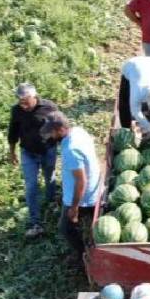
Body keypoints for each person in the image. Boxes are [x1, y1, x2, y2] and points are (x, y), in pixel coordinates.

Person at [39, 113, 101, 265]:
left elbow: (81, 181)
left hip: (85, 197)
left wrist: (74, 207)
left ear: (60, 129)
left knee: (65, 228)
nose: (49, 137)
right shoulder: (79, 131)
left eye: (51, 133)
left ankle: (82, 256)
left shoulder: (71, 149)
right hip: (94, 187)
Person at [7, 83, 60, 238]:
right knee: (31, 186)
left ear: (34, 96)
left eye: (25, 101)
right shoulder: (16, 111)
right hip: (28, 153)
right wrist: (12, 152)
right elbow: (13, 132)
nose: (23, 105)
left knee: (49, 178)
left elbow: (59, 126)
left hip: (48, 151)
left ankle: (51, 202)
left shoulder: (49, 107)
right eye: (20, 101)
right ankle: (35, 222)